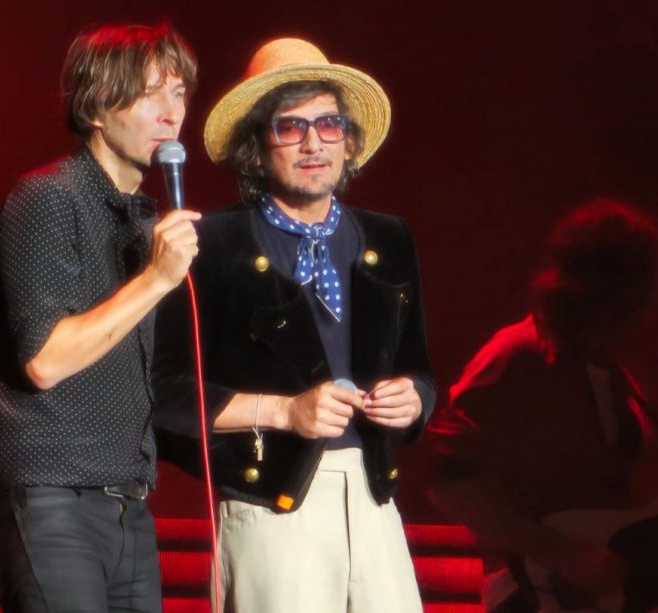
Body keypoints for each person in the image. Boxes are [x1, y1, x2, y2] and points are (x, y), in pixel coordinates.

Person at [152, 38, 435, 613]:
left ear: (350, 141)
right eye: (290, 127)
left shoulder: (388, 236)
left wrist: (415, 400)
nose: (313, 143)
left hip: (375, 496)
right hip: (269, 505)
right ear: (257, 147)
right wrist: (284, 411)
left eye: (329, 124)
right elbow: (163, 394)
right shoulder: (212, 245)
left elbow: (421, 369)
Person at [0, 23, 199, 613]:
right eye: (151, 92)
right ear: (99, 104)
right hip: (54, 499)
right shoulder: (47, 198)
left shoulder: (137, 219)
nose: (170, 112)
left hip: (127, 504)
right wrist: (154, 280)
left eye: (178, 94)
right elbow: (46, 360)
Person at [426, 199, 658, 612]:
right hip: (534, 596)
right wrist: (563, 552)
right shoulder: (514, 358)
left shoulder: (614, 368)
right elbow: (447, 480)